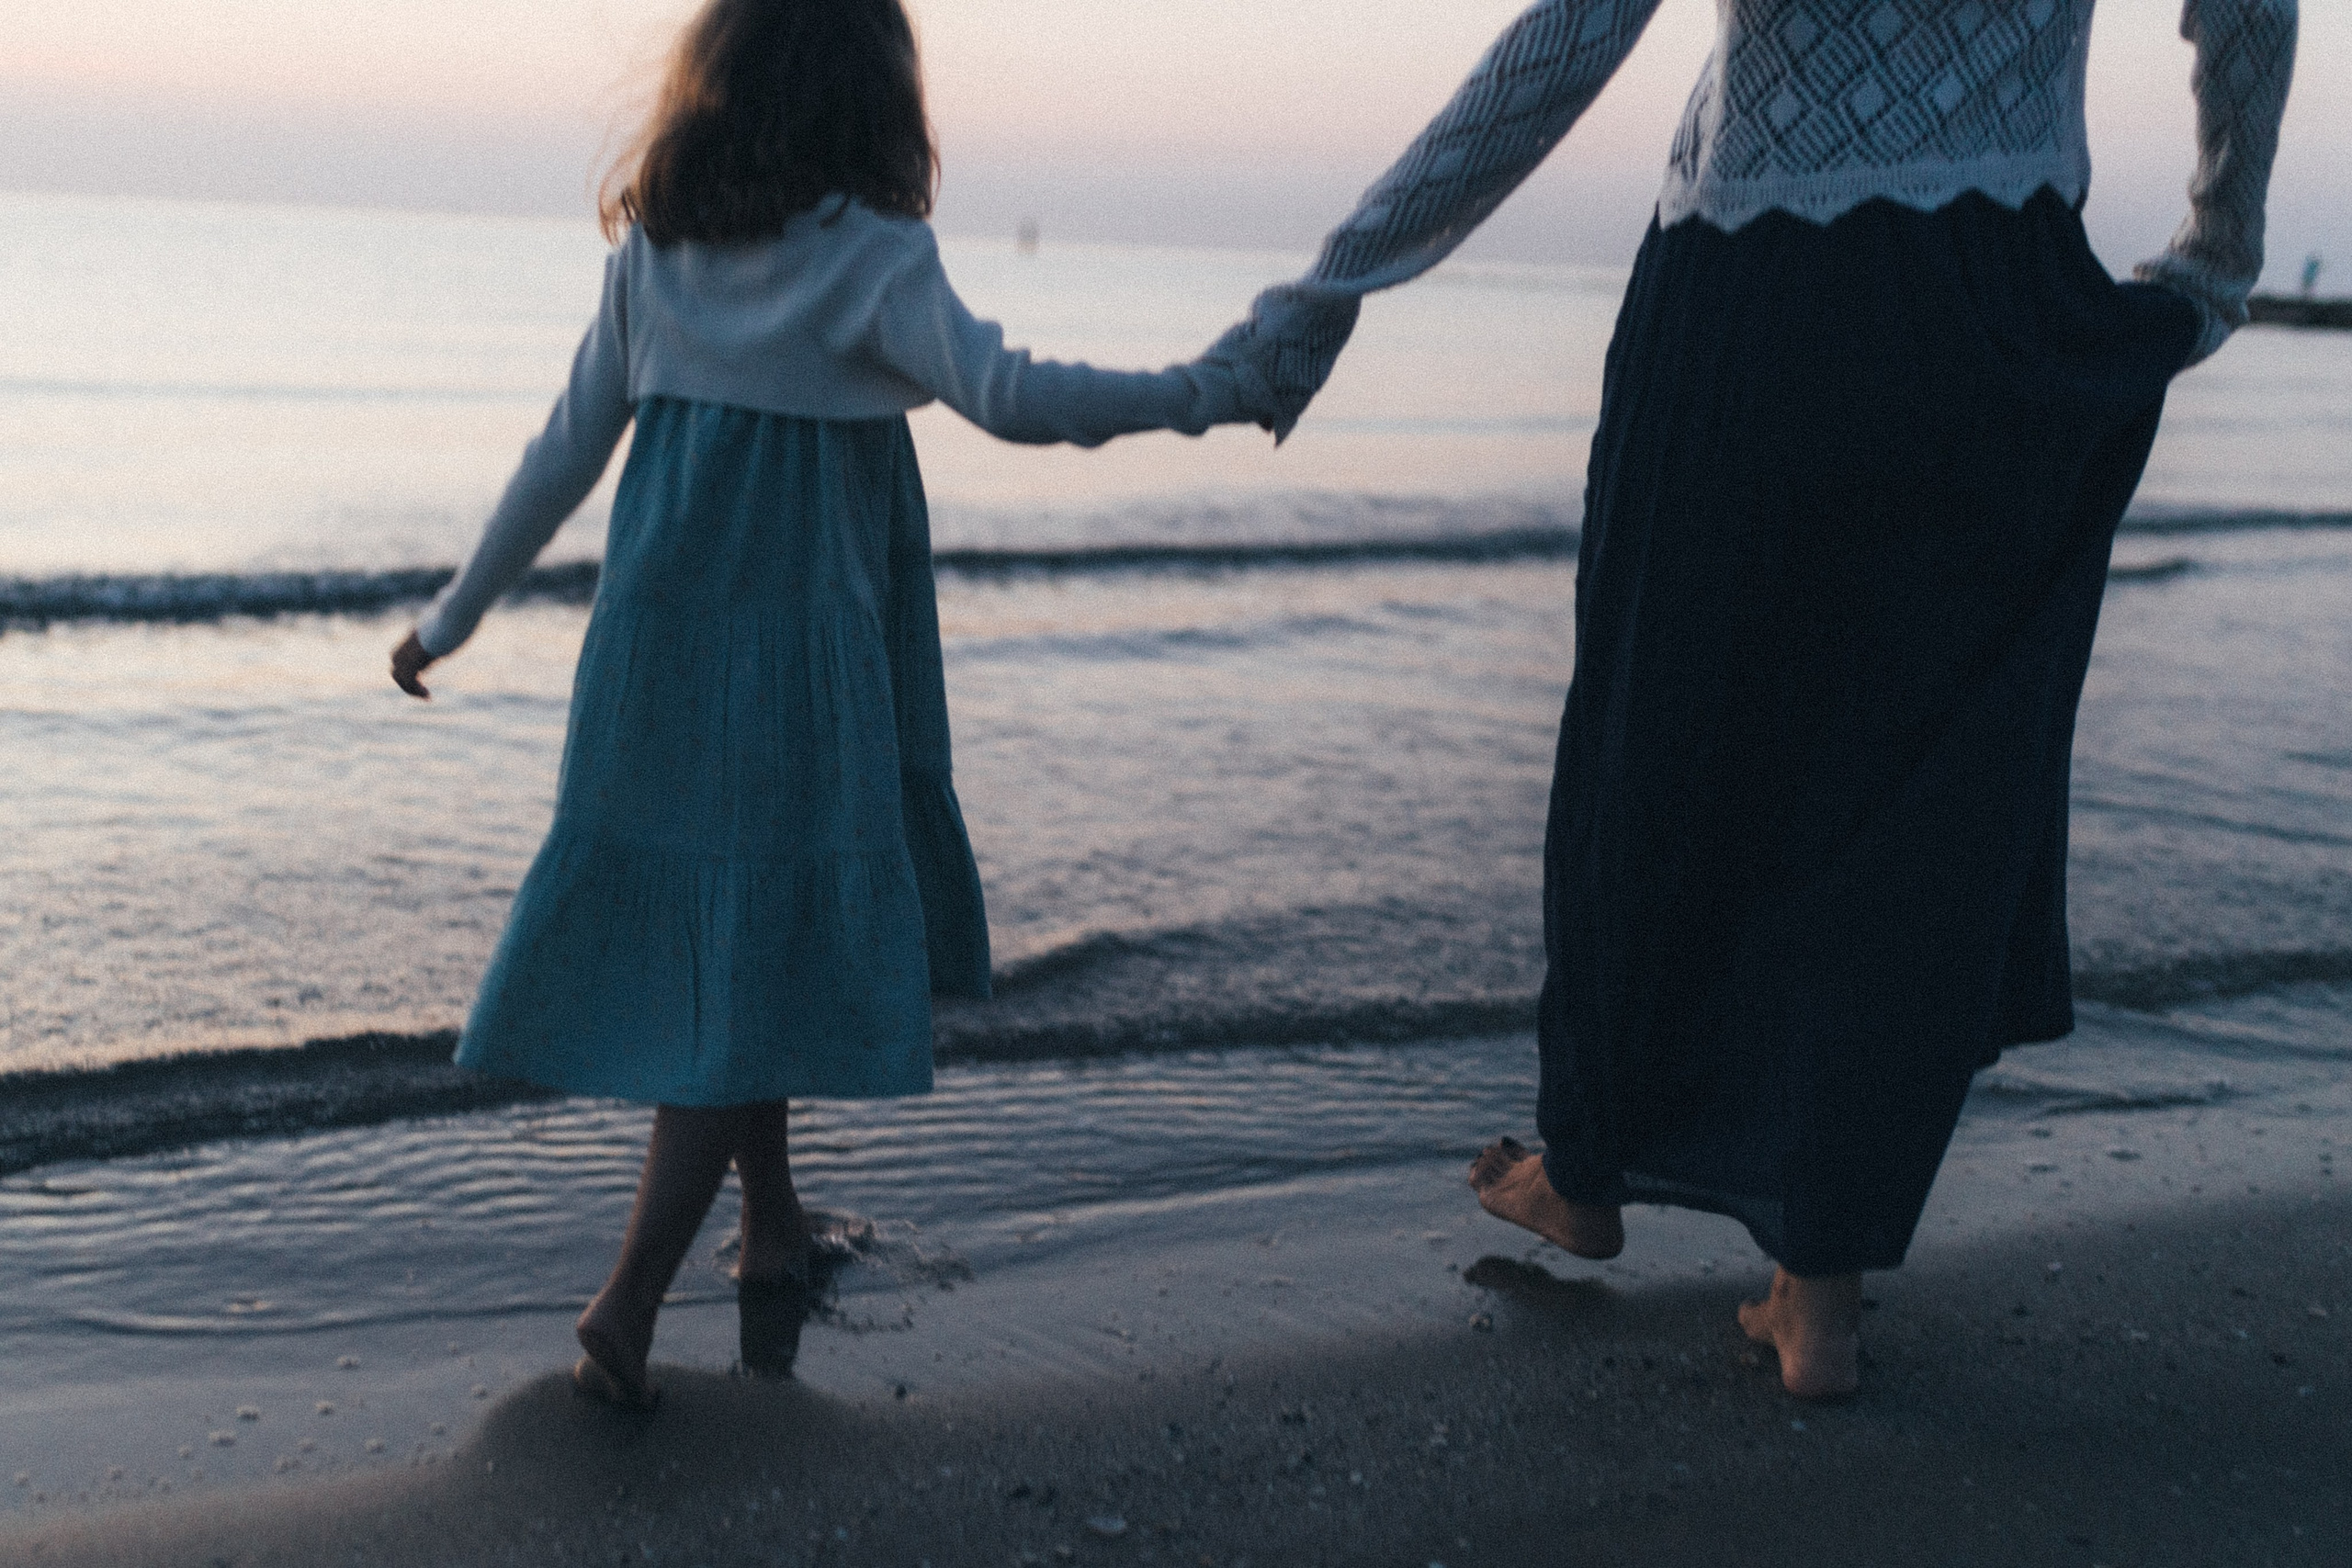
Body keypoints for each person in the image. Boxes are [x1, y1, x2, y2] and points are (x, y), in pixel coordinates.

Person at [1215, 0, 2298, 1397]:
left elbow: (1569, 40)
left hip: (1755, 289)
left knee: (1657, 744)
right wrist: (2220, 248)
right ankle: (1819, 1294)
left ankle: (1587, 1173)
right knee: (1906, 790)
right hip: (2000, 288)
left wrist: (1332, 286)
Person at [389, 0, 1254, 1410]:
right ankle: (627, 1303)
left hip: (653, 665)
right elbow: (1013, 396)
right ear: (877, 99)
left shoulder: (659, 256)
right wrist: (1202, 390)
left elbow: (563, 452)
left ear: (714, 85)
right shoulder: (873, 260)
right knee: (752, 964)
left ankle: (775, 1225)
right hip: (797, 678)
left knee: (750, 938)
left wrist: (450, 618)